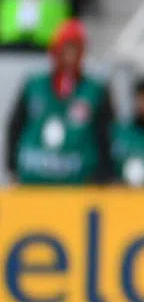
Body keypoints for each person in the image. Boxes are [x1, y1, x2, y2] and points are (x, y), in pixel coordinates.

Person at [6, 20, 113, 185]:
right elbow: (15, 126)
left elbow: (107, 133)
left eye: (75, 49)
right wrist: (12, 167)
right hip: (33, 181)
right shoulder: (33, 86)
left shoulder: (95, 90)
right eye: (65, 48)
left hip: (79, 184)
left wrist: (103, 175)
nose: (69, 55)